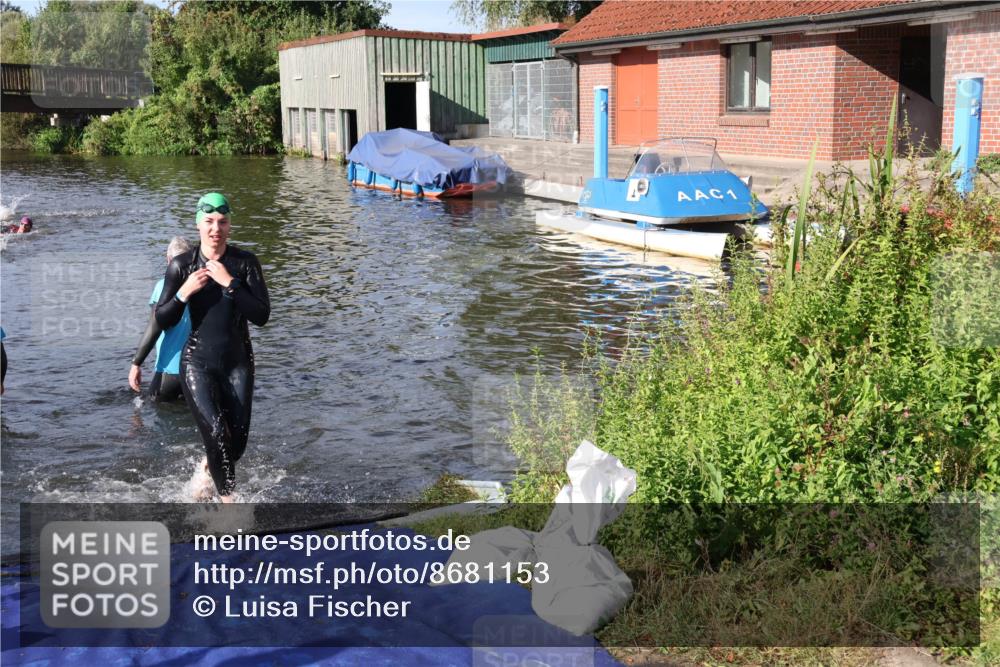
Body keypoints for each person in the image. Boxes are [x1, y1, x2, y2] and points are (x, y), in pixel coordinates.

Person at [155, 193, 269, 503]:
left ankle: (207, 468)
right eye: (208, 222)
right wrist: (184, 293)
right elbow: (162, 319)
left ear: (230, 226)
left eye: (222, 222)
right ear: (198, 225)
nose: (215, 228)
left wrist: (230, 283)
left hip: (238, 363)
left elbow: (261, 316)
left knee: (236, 445)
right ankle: (230, 504)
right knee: (218, 435)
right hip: (197, 363)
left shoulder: (244, 264)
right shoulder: (182, 265)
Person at [129, 237, 193, 402]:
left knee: (154, 418)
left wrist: (136, 364)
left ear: (169, 260)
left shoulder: (162, 286)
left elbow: (154, 327)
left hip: (168, 372)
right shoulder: (202, 286)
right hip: (197, 371)